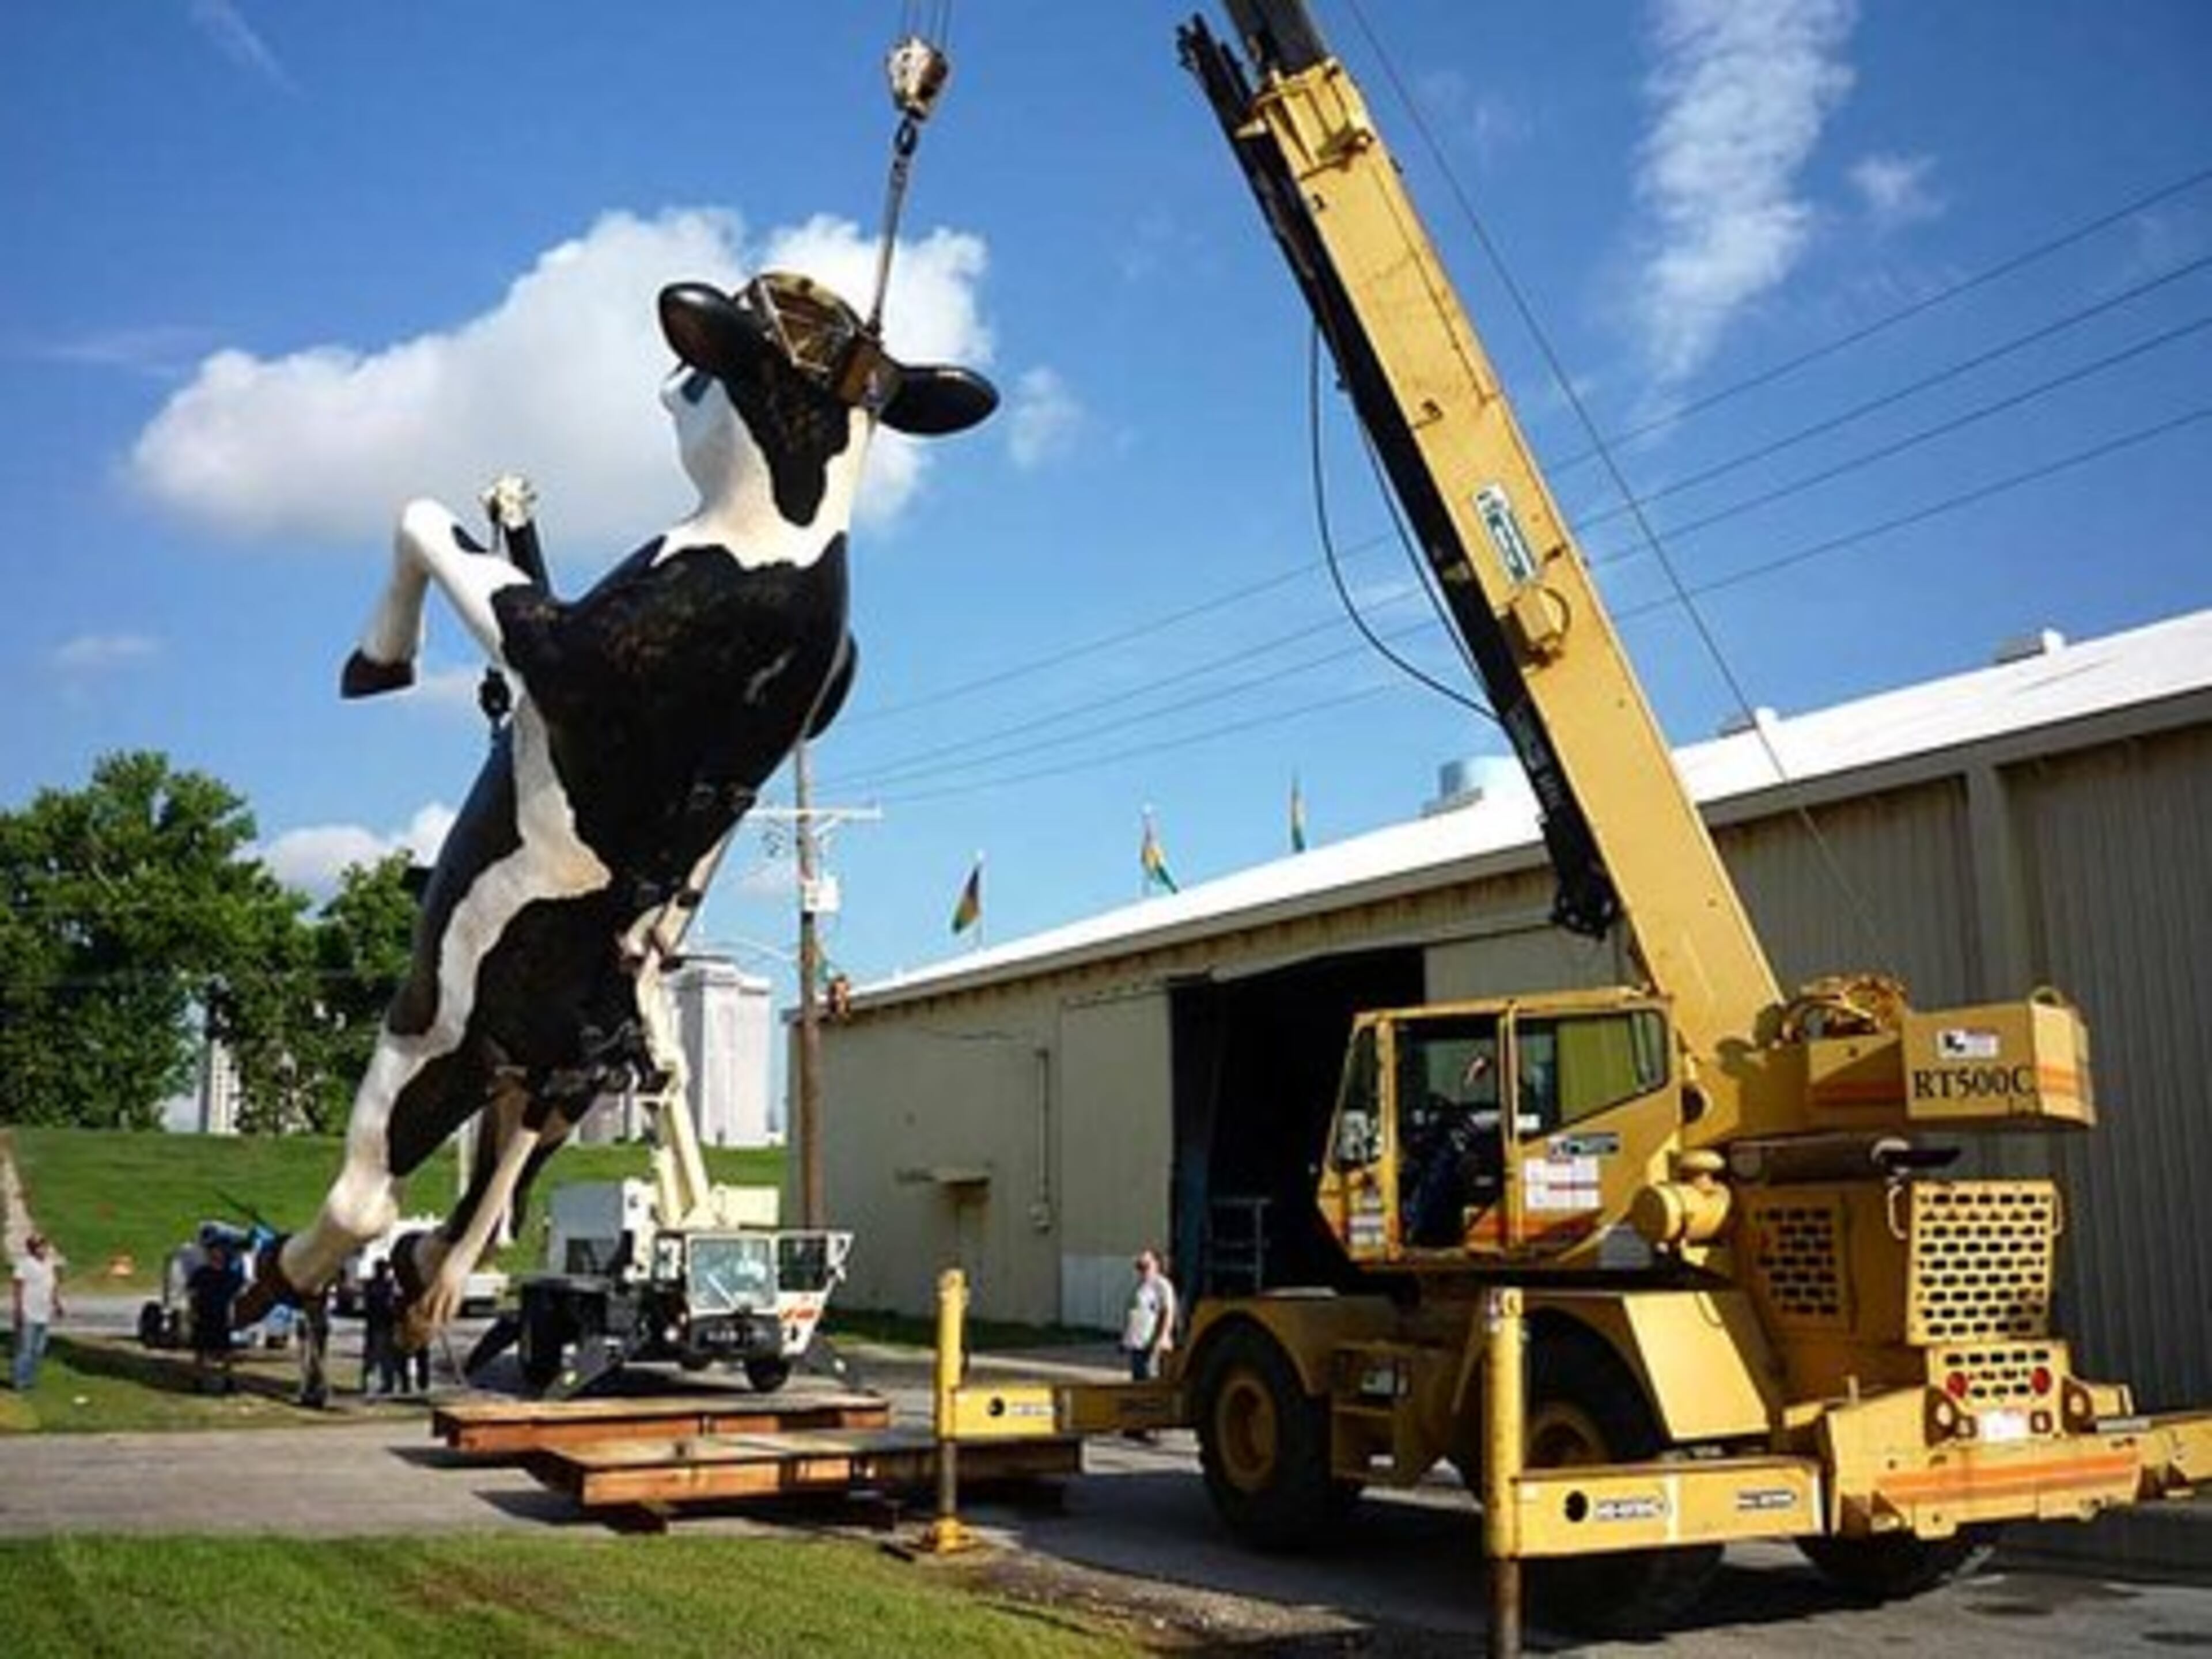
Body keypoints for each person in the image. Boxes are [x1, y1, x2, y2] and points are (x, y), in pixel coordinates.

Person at [10, 1233, 64, 1392]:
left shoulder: (49, 1264)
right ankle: (19, 1381)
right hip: (28, 1313)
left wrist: (57, 1304)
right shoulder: (24, 1264)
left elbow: (52, 1286)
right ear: (31, 1249)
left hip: (44, 1313)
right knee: (26, 1349)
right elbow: (18, 1288)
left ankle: (29, 1379)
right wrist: (18, 1310)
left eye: (43, 1246)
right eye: (38, 1246)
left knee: (39, 1350)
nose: (42, 1249)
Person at [185, 1240, 240, 1395]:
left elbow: (237, 1297)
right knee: (201, 1351)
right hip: (204, 1315)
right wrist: (192, 1312)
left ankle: (228, 1381)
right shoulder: (201, 1274)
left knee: (226, 1351)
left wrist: (234, 1317)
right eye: (212, 1252)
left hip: (221, 1316)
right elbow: (192, 1294)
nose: (215, 1255)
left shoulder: (230, 1276)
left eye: (219, 1252)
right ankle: (197, 1382)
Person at [1122, 1248, 1178, 1384]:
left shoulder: (1162, 1285)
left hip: (1152, 1346)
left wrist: (1162, 1338)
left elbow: (1168, 1312)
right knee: (1138, 1383)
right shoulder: (1139, 1286)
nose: (1141, 1270)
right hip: (1137, 1345)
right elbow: (1133, 1313)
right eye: (1139, 1267)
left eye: (1145, 1265)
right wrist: (1125, 1338)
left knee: (1151, 1384)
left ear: (1156, 1264)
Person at [360, 1259, 403, 1396]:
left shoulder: (388, 1286)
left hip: (384, 1326)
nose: (385, 1272)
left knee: (385, 1358)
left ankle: (387, 1384)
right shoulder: (376, 1286)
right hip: (377, 1326)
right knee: (373, 1357)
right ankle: (369, 1384)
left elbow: (394, 1306)